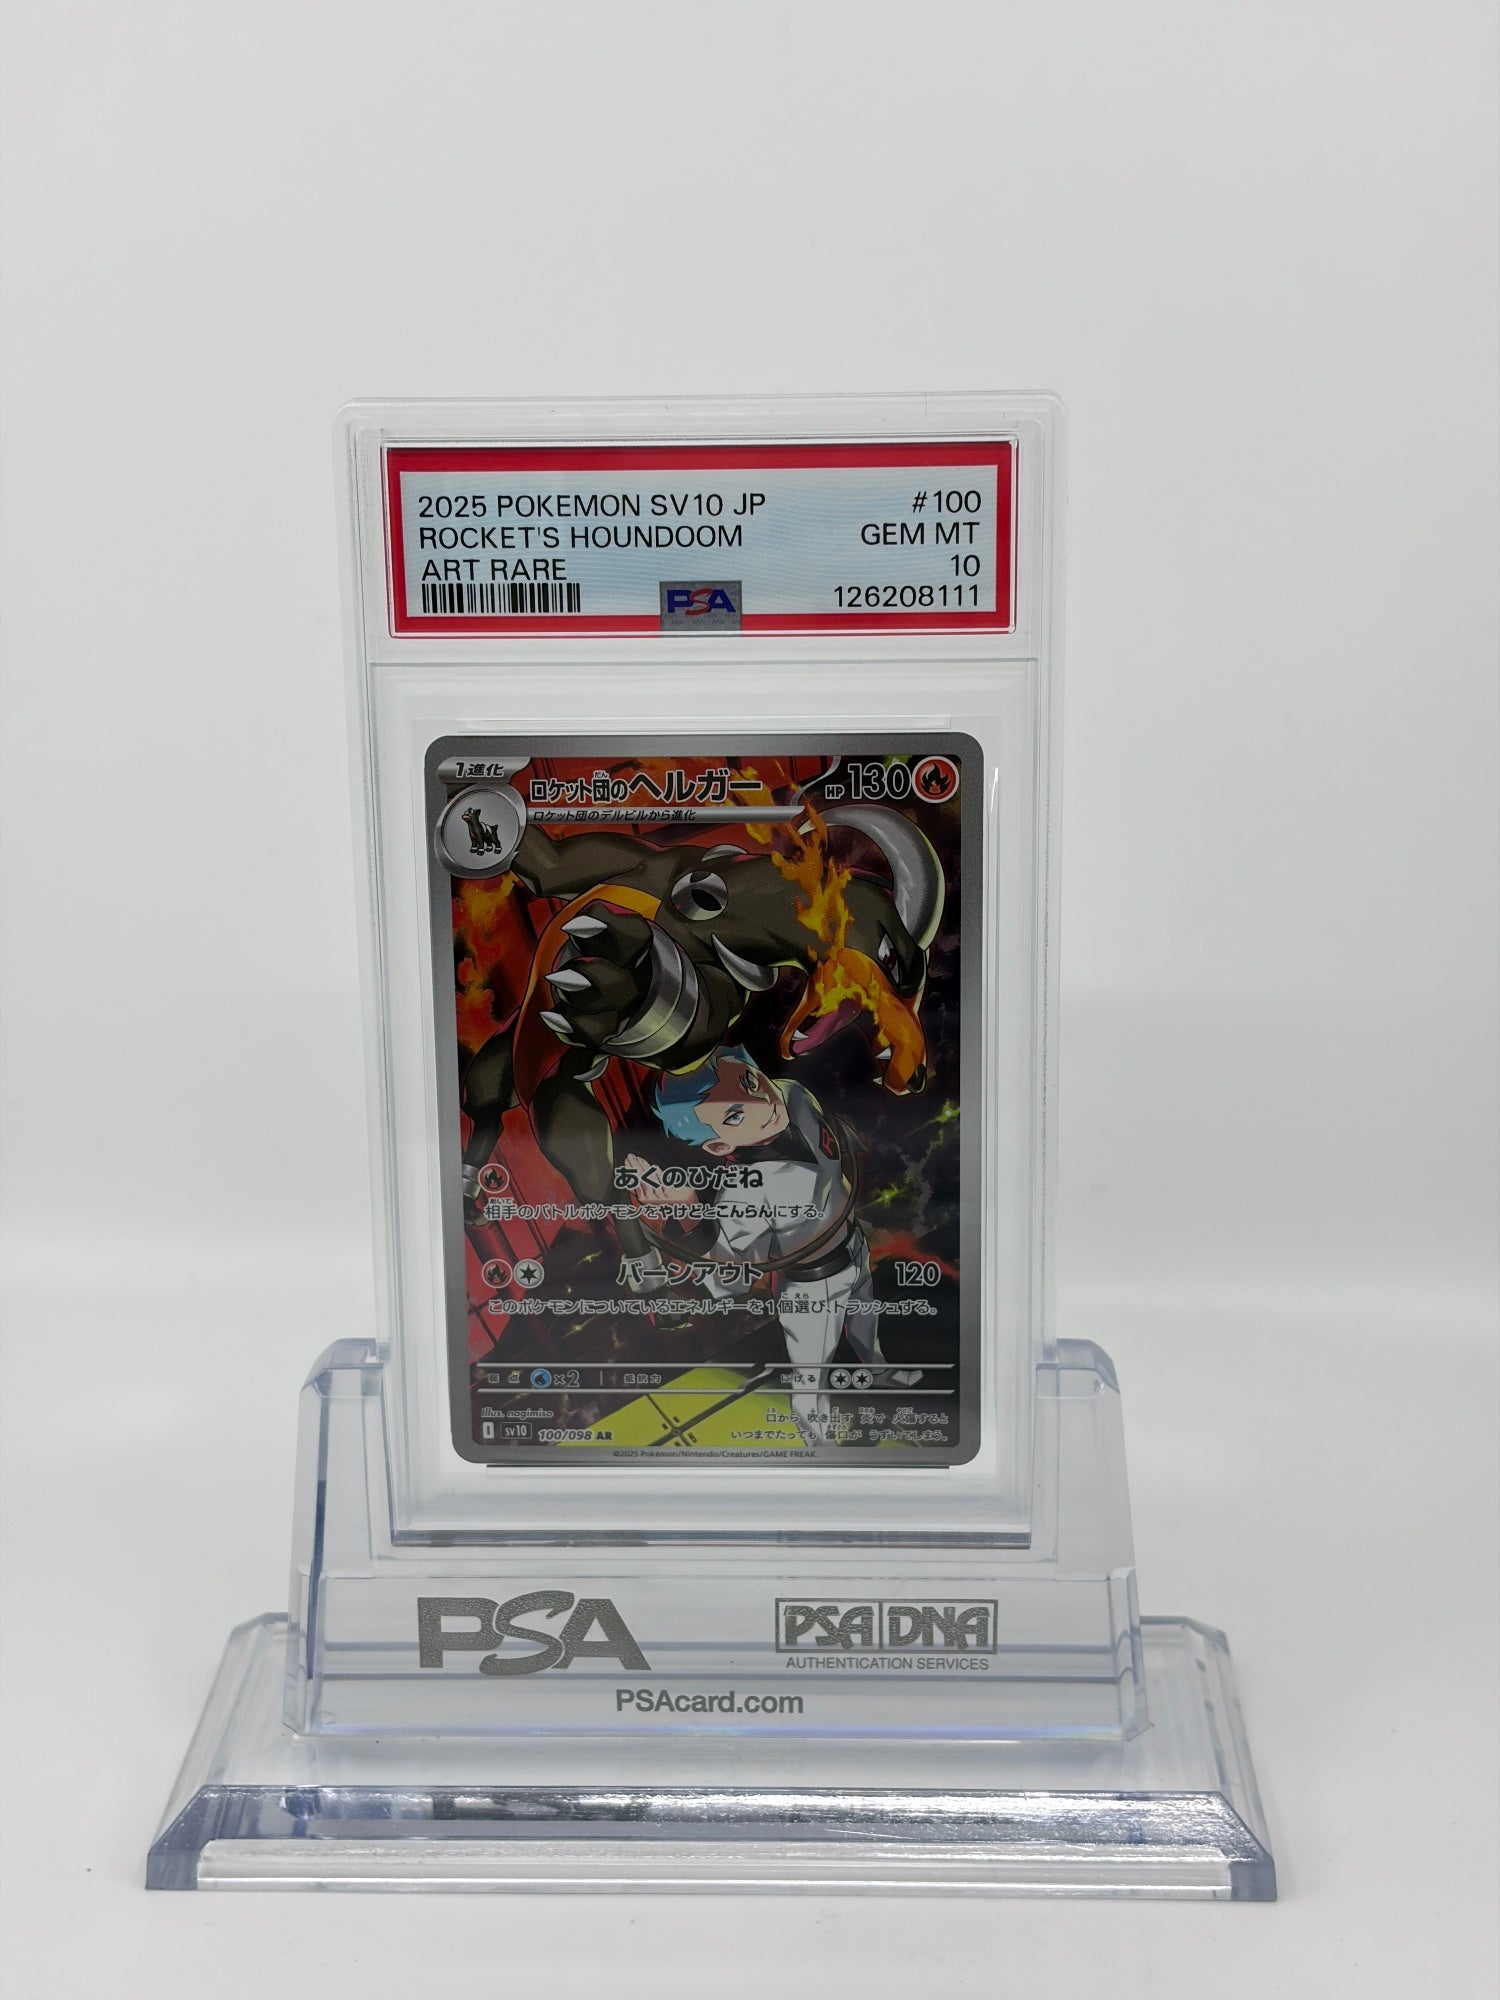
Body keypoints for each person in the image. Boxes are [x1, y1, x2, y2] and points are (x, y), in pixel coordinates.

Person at [624, 1046, 916, 1448]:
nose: (761, 1102)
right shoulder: (742, 1193)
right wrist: (688, 1213)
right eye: (734, 1114)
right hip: (811, 1286)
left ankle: (881, 1375)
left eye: (750, 1080)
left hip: (853, 1246)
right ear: (718, 1146)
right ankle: (821, 1449)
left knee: (866, 1322)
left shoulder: (793, 1095)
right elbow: (733, 1272)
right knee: (811, 1378)